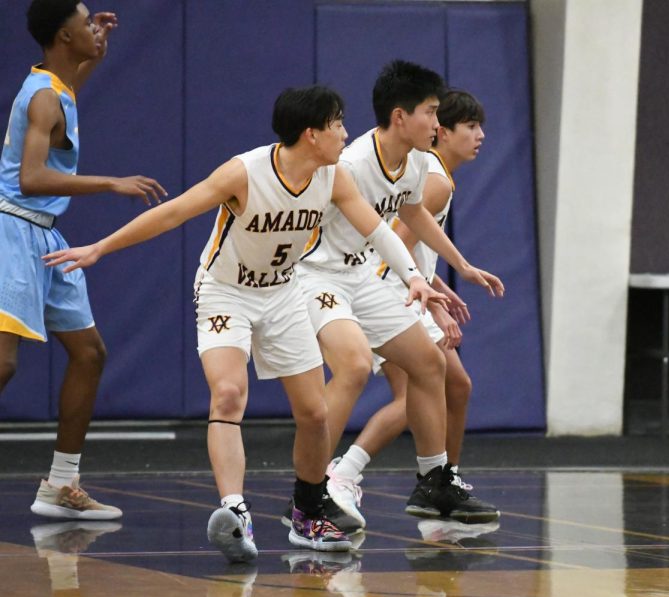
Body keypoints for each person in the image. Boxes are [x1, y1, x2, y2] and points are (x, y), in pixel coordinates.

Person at [44, 85, 446, 562]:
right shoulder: (245, 172)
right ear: (311, 133)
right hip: (225, 292)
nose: (344, 132)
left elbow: (378, 230)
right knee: (229, 393)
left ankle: (308, 508)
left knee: (316, 413)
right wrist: (100, 248)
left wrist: (414, 277)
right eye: (337, 124)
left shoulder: (333, 176)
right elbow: (172, 214)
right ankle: (235, 512)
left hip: (282, 293)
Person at [293, 60, 502, 529]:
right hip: (318, 277)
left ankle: (434, 480)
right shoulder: (351, 164)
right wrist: (415, 276)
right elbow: (386, 231)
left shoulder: (416, 163)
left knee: (430, 364)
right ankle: (311, 492)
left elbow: (412, 217)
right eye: (431, 112)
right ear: (400, 116)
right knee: (354, 366)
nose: (437, 121)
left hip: (366, 277)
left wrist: (459, 267)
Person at [0, 0, 167, 521]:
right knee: (3, 363)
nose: (93, 27)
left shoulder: (60, 85)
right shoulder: (44, 97)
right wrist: (110, 183)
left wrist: (99, 47)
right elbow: (30, 178)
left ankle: (61, 483)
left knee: (89, 354)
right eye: (84, 23)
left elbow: (76, 77)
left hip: (46, 235)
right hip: (12, 228)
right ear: (62, 37)